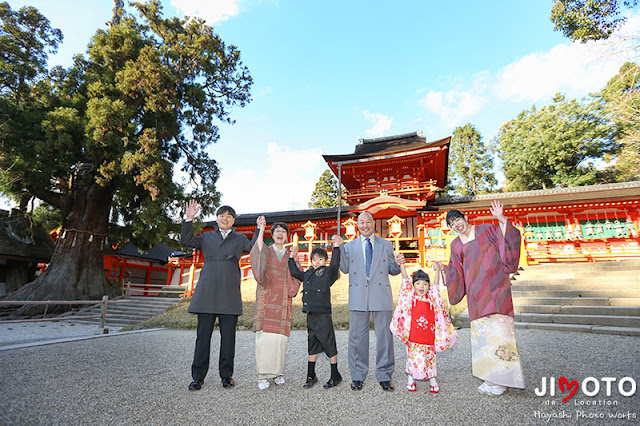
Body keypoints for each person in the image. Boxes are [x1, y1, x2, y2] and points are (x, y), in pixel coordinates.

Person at [434, 200, 525, 396]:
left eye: (458, 219)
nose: (456, 225)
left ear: (465, 218)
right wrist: (444, 269)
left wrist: (501, 218)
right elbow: (455, 270)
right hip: (476, 296)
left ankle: (503, 380)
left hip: (496, 290)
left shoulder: (486, 230)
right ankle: (490, 377)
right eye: (451, 224)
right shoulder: (456, 245)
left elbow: (508, 237)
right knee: (483, 337)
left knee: (500, 335)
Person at [181, 200, 261, 391]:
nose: (225, 218)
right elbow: (186, 240)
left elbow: (254, 248)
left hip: (229, 292)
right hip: (207, 291)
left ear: (234, 220)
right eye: (222, 215)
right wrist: (189, 219)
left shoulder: (240, 239)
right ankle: (197, 377)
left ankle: (227, 376)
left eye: (229, 216)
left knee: (228, 338)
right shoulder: (206, 237)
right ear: (217, 219)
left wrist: (259, 229)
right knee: (202, 338)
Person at [339, 211, 401, 391]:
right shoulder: (349, 246)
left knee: (385, 337)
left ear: (373, 223)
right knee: (357, 338)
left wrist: (399, 263)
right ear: (357, 225)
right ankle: (357, 375)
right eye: (361, 222)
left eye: (368, 222)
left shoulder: (386, 244)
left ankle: (384, 374)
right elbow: (343, 269)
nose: (365, 225)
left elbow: (393, 269)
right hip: (358, 295)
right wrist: (338, 248)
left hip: (381, 294)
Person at [390, 255, 456, 393]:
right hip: (414, 334)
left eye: (425, 283)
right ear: (413, 285)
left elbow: (436, 287)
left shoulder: (432, 297)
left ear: (428, 286)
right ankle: (411, 379)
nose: (422, 286)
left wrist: (437, 271)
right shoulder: (410, 296)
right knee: (413, 357)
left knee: (429, 357)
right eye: (418, 283)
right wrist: (402, 265)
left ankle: (432, 379)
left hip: (428, 335)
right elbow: (405, 280)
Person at [288, 236, 343, 389]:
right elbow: (294, 272)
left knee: (329, 344)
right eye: (314, 259)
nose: (316, 262)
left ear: (325, 260)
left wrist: (337, 247)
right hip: (311, 314)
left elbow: (335, 264)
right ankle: (311, 375)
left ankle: (335, 375)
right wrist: (292, 257)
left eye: (320, 259)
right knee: (312, 345)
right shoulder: (308, 274)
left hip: (323, 315)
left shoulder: (327, 273)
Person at [251, 221, 301, 390]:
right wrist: (261, 229)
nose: (280, 234)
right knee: (264, 340)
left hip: (282, 301)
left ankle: (278, 373)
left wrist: (294, 257)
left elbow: (298, 276)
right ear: (272, 235)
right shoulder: (266, 251)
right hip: (266, 299)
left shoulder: (290, 255)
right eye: (277, 231)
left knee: (280, 340)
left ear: (287, 236)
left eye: (283, 232)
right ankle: (263, 375)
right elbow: (257, 254)